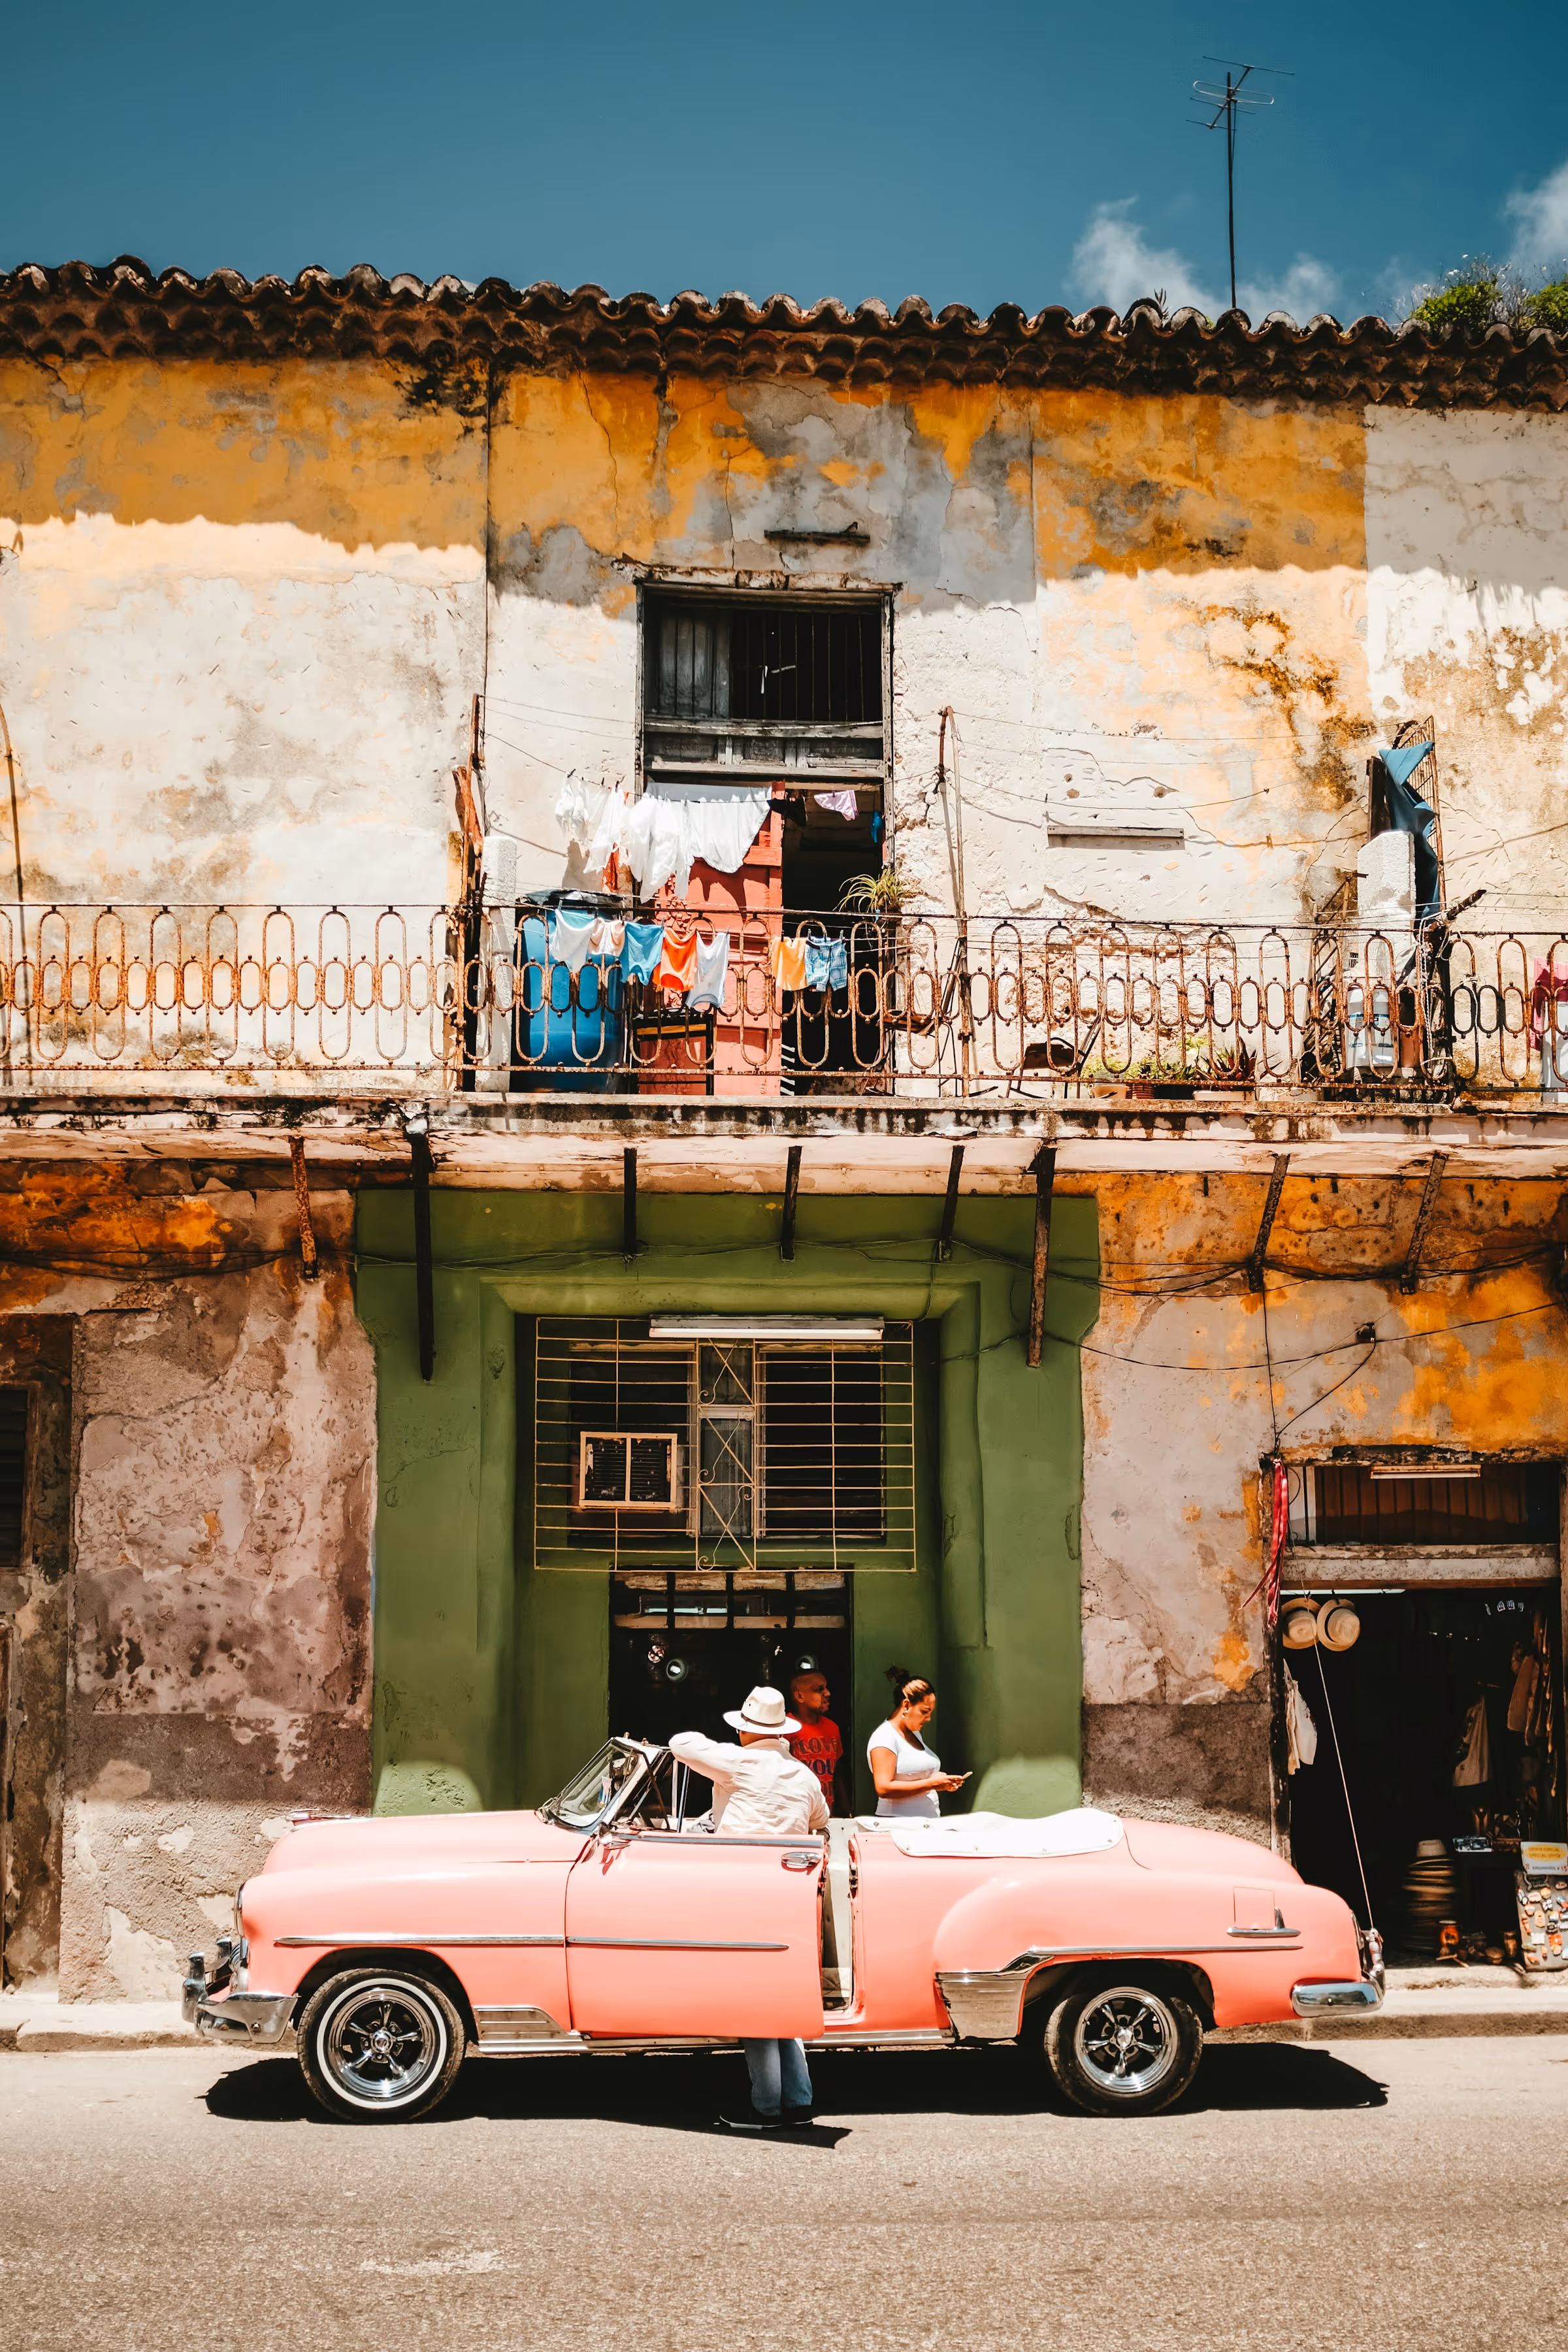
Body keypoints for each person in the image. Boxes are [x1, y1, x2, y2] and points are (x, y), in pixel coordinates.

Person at [668, 1686, 828, 2134]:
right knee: (783, 1998)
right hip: (791, 1892)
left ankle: (765, 2108)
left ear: (744, 1730)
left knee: (753, 2002)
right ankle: (798, 2100)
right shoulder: (803, 1776)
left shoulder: (737, 1762)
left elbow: (682, 1743)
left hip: (741, 1892)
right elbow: (820, 1818)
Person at [867, 1668, 968, 1819]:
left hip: (925, 1826)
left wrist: (941, 1781)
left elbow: (915, 1775)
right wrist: (932, 1783)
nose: (928, 1719)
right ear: (906, 1706)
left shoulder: (914, 1734)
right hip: (899, 1826)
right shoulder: (884, 1737)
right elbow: (884, 1788)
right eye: (924, 1712)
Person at [787, 1667, 846, 1816]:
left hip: (827, 1812)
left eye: (826, 1688)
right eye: (819, 1690)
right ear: (800, 1696)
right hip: (796, 1812)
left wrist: (846, 1809)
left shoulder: (832, 1728)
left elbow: (837, 1774)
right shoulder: (785, 1728)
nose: (827, 1694)